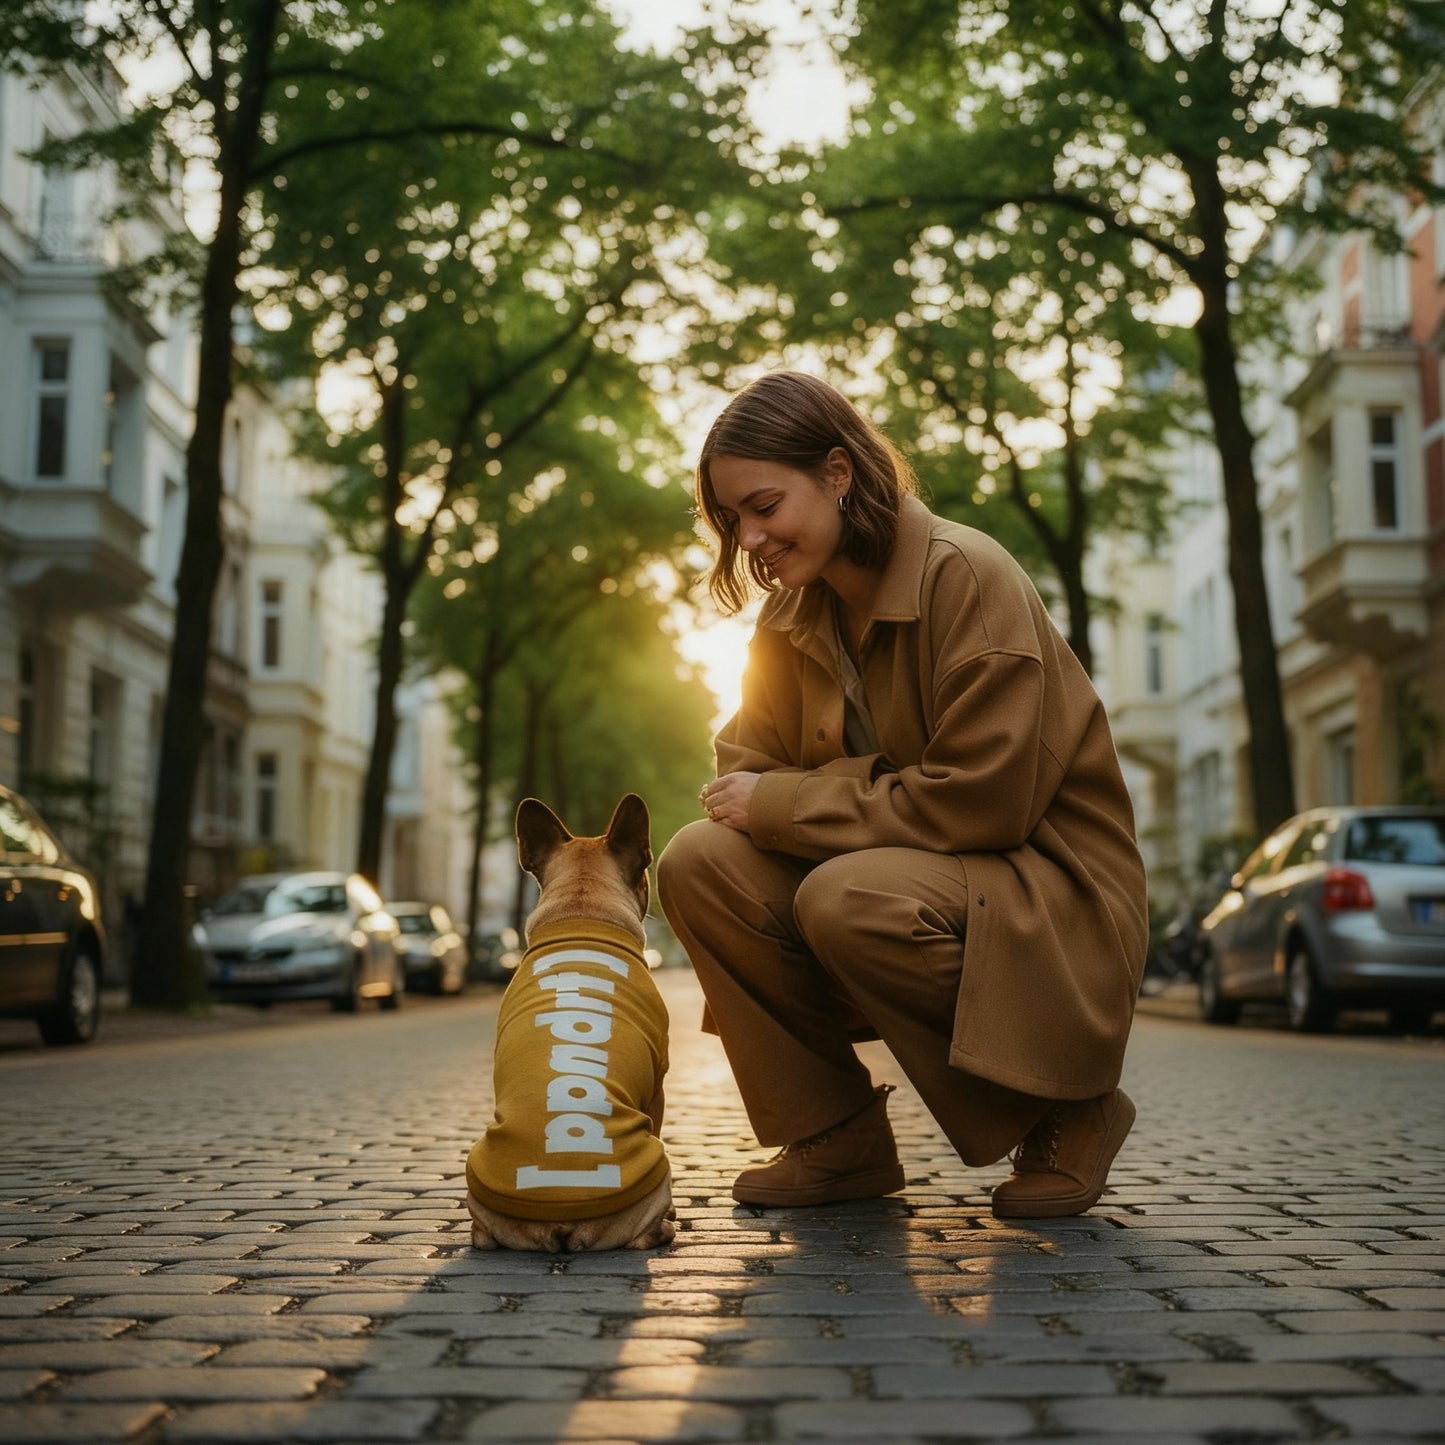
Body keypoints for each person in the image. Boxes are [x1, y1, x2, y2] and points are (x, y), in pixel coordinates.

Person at [656, 370, 1149, 1219]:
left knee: (848, 896)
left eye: (765, 505)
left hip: (1050, 892)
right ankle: (835, 1137)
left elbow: (981, 804)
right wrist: (814, 793)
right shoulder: (788, 618)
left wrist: (800, 796)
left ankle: (1070, 1107)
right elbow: (738, 774)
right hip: (926, 878)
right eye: (733, 520)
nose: (751, 539)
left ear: (838, 473)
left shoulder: (965, 576)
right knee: (697, 861)